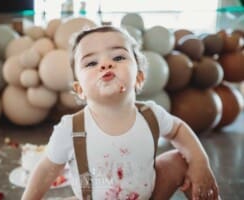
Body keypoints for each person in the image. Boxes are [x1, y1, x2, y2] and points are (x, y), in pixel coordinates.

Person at [21, 26, 219, 200]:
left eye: (118, 57)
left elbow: (178, 130)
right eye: (91, 63)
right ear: (80, 89)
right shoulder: (71, 128)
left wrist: (201, 163)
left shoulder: (150, 114)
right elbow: (47, 170)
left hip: (148, 196)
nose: (105, 64)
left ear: (139, 78)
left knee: (180, 160)